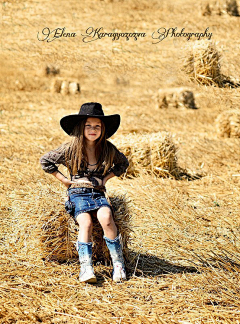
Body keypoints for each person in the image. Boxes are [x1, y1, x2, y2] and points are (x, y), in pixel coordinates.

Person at [40, 102, 129, 284]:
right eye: (88, 125)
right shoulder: (71, 148)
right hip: (77, 193)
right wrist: (64, 180)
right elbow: (45, 161)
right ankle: (86, 267)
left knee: (106, 218)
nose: (92, 129)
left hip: (97, 193)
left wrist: (105, 179)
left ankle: (118, 264)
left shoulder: (107, 148)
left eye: (97, 126)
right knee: (86, 223)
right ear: (81, 128)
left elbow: (123, 163)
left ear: (103, 129)